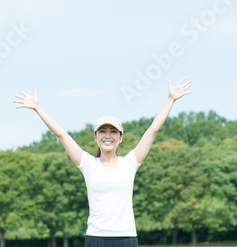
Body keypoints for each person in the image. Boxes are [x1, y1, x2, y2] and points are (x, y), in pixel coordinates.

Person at [13, 77, 192, 247]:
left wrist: (170, 99)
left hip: (126, 238)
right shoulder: (87, 163)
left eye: (113, 131)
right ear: (95, 137)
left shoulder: (130, 162)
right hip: (96, 238)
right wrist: (38, 108)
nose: (108, 136)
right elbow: (61, 134)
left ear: (121, 138)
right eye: (103, 131)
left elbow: (153, 130)